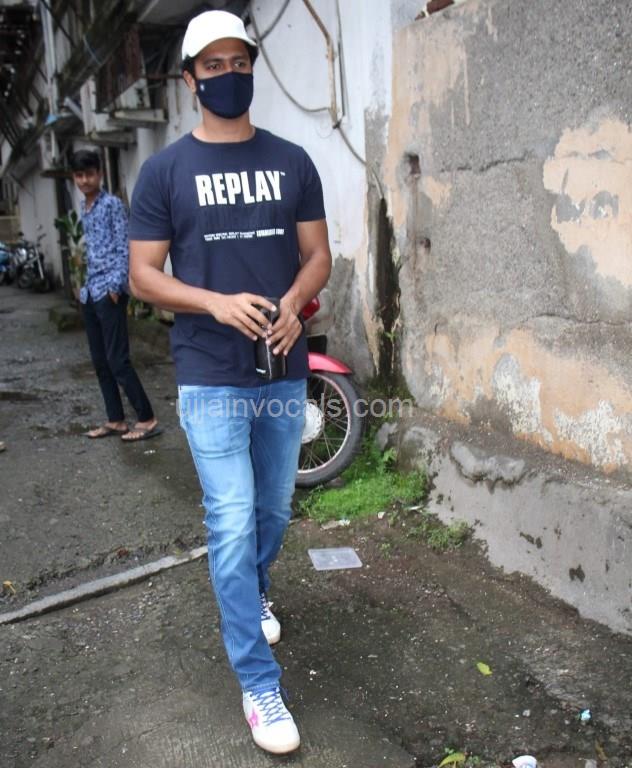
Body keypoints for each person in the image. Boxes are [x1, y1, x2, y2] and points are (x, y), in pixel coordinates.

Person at [127, 9, 331, 755]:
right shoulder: (165, 172)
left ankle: (255, 590)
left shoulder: (292, 161)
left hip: (281, 368)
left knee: (272, 511)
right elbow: (142, 274)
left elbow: (319, 256)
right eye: (212, 66)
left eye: (238, 62)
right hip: (209, 373)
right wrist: (213, 302)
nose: (228, 75)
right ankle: (257, 681)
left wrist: (293, 302)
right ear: (190, 81)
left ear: (252, 68)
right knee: (234, 518)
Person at [70, 150, 160, 442]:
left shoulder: (112, 205)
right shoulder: (85, 207)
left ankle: (147, 418)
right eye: (79, 175)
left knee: (117, 359)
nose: (85, 180)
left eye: (89, 174)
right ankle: (116, 420)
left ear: (100, 174)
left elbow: (126, 246)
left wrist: (115, 287)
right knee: (100, 361)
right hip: (90, 292)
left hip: (109, 291)